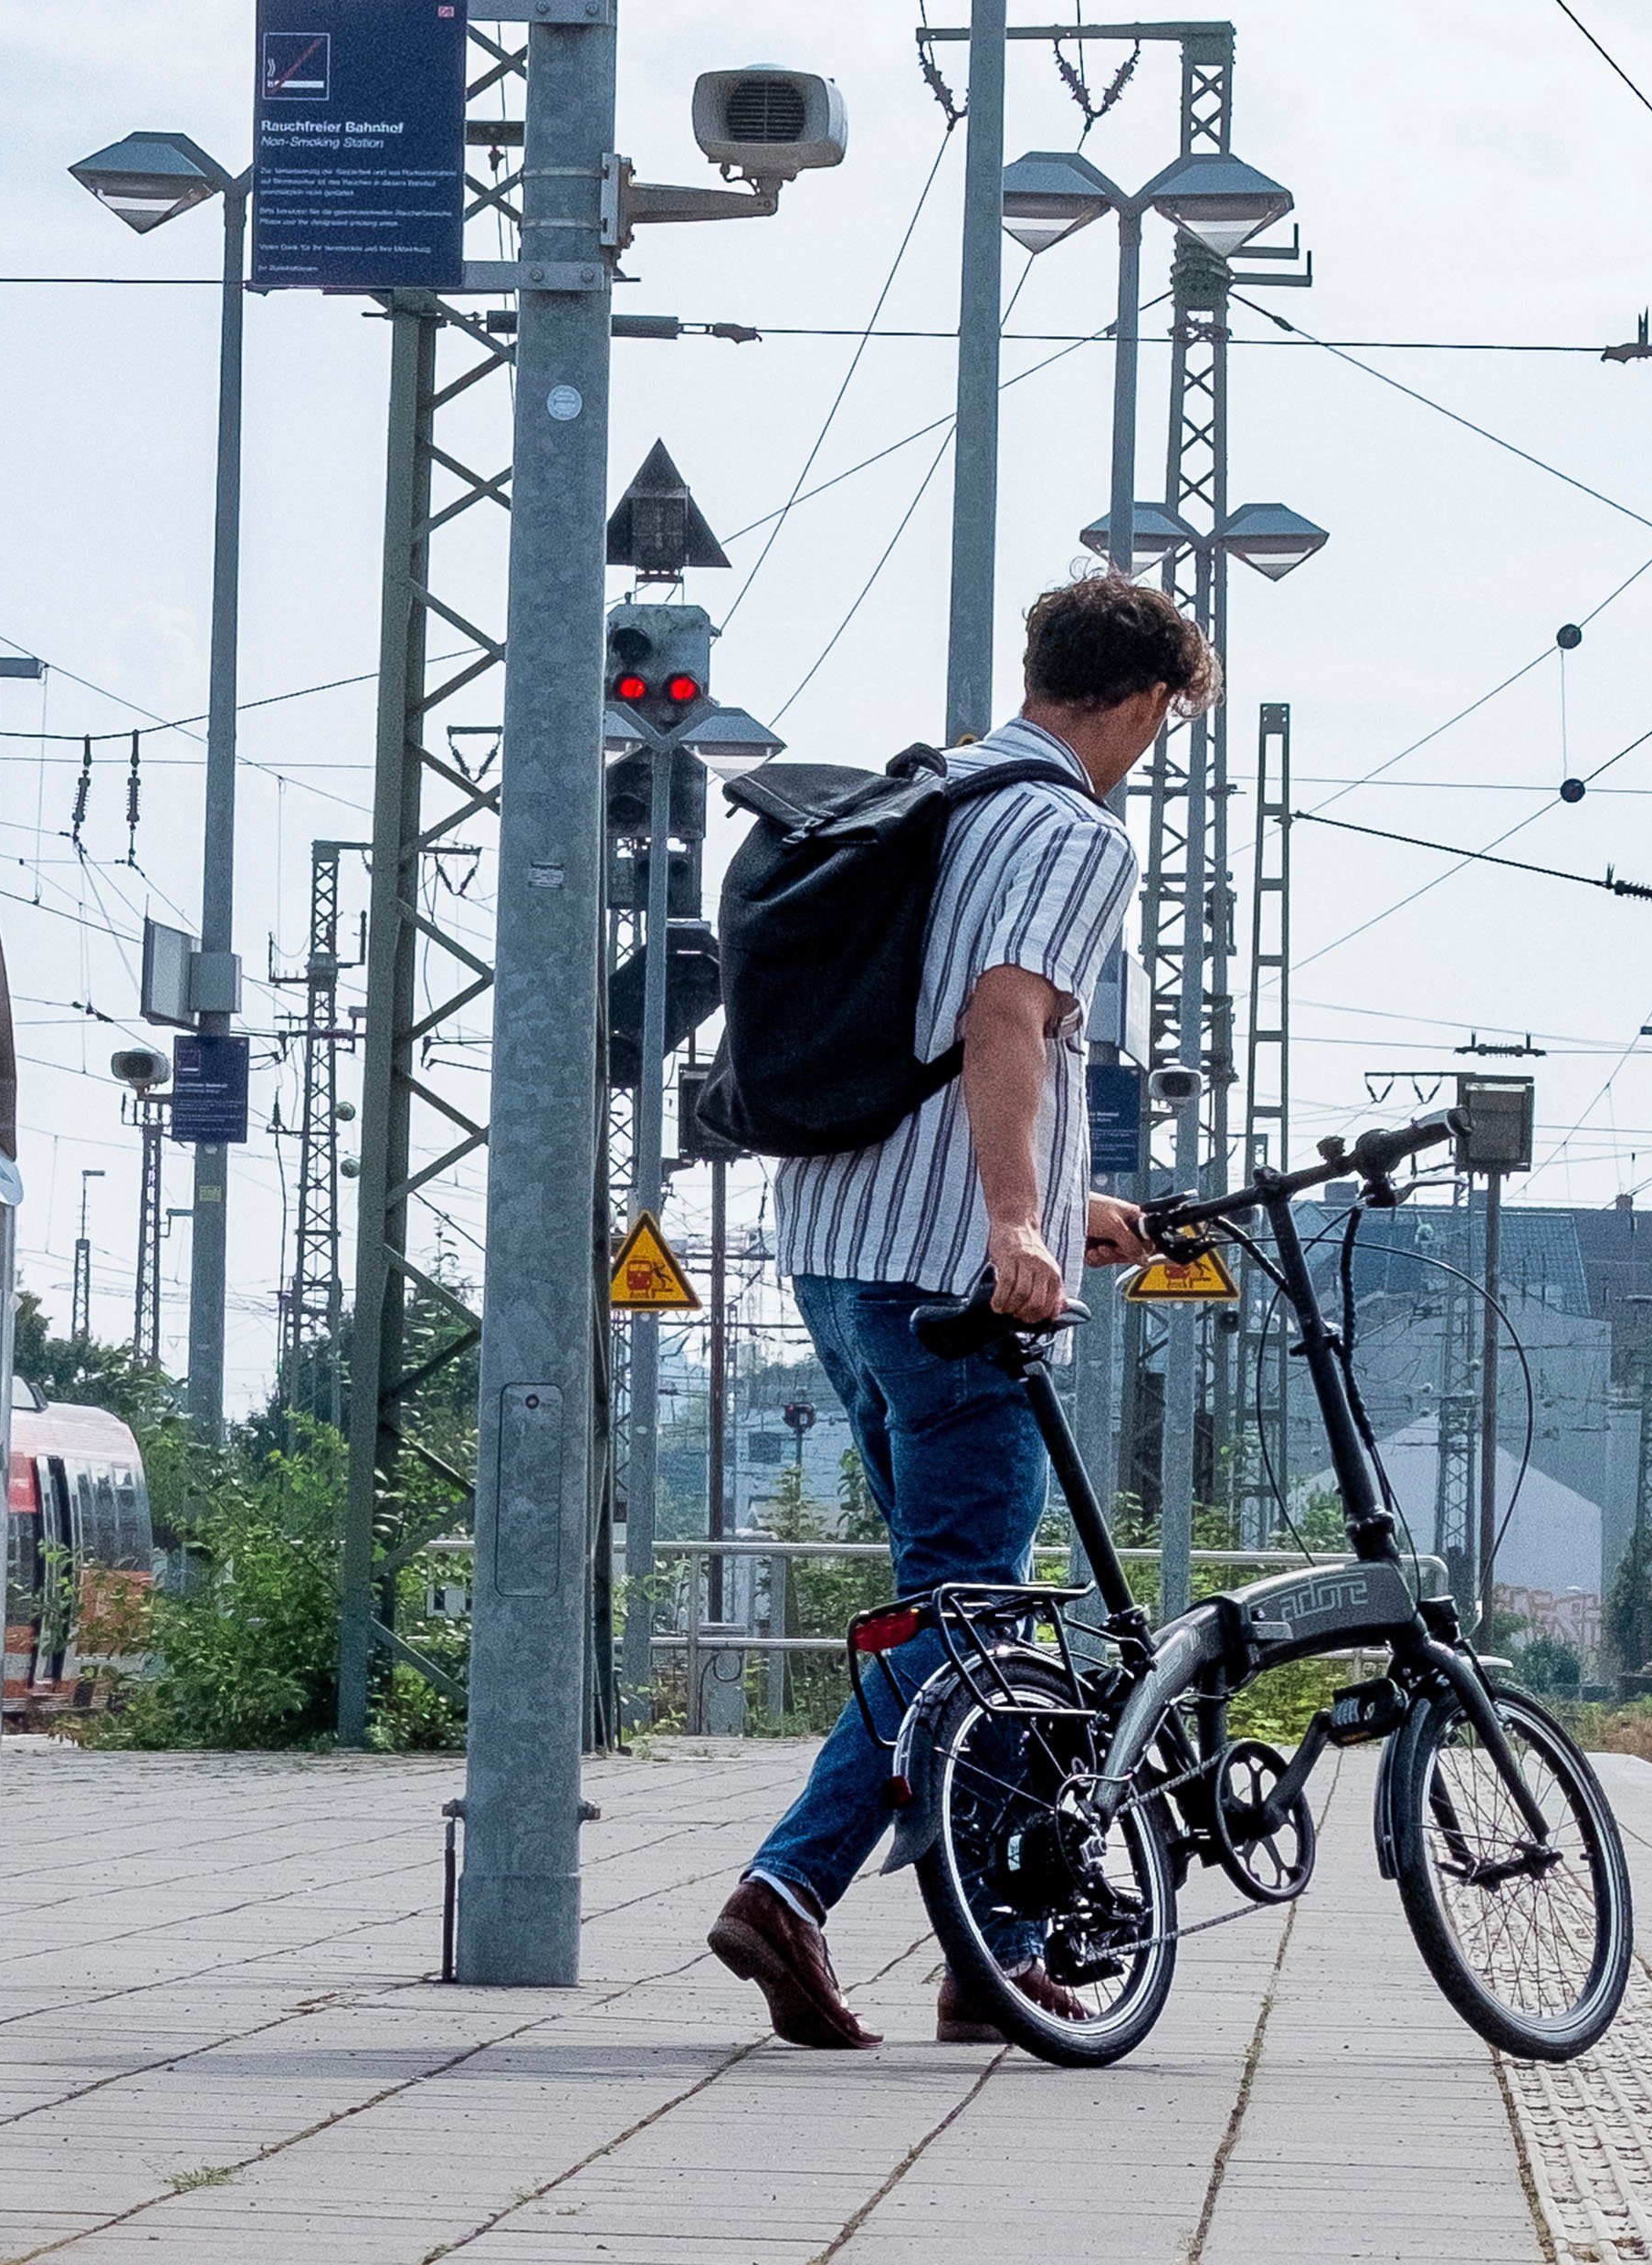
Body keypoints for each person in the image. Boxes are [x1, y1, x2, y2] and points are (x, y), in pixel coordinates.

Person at [707, 574, 1215, 2049]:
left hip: (837, 1250)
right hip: (950, 1278)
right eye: (1169, 718)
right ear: (1142, 702)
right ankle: (792, 1889)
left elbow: (930, 1042)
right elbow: (1004, 1020)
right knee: (968, 1623)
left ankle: (987, 1955)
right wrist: (1012, 1220)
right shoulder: (1066, 827)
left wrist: (1069, 1210)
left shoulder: (932, 795)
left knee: (950, 1618)